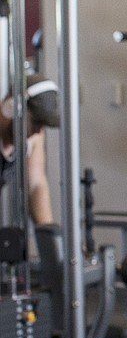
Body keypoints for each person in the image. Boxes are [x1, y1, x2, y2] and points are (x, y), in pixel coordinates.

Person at [0, 72, 59, 226]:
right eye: (36, 123)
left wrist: (49, 236)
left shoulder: (34, 137)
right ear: (11, 108)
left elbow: (36, 185)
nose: (38, 131)